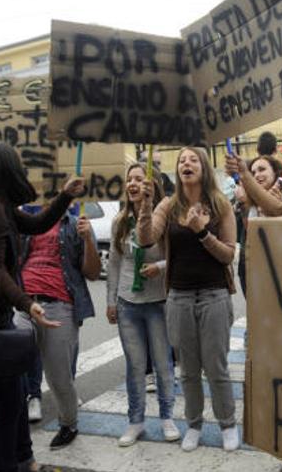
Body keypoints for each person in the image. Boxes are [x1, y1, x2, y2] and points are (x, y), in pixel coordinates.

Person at [0, 141, 85, 472]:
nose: (22, 170)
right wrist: (29, 303)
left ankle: (24, 459)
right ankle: (7, 464)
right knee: (8, 403)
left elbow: (36, 225)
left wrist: (65, 195)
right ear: (3, 169)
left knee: (15, 396)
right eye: (17, 164)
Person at [137, 146, 240, 452]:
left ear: (204, 167)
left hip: (214, 295)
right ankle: (193, 424)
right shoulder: (167, 206)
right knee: (188, 369)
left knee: (217, 366)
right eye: (182, 160)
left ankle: (228, 424)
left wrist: (201, 232)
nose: (186, 163)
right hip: (179, 297)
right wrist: (145, 207)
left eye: (193, 159)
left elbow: (228, 255)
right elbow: (146, 239)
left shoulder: (220, 204)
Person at [14, 199, 101, 449]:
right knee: (10, 362)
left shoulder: (76, 225)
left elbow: (93, 273)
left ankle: (68, 424)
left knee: (59, 376)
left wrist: (87, 240)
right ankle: (20, 413)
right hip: (25, 304)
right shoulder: (27, 225)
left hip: (59, 307)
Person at [106, 163, 180, 447]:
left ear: (153, 186)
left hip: (158, 302)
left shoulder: (164, 217)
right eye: (130, 179)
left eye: (140, 179)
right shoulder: (119, 221)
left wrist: (159, 267)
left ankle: (167, 417)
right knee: (135, 366)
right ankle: (135, 421)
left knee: (163, 364)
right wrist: (111, 300)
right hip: (128, 304)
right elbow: (114, 263)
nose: (133, 183)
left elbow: (176, 257)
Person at [236, 155, 282, 295]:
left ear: (275, 172)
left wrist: (279, 210)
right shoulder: (253, 205)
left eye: (262, 169)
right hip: (265, 271)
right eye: (253, 173)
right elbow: (255, 241)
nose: (257, 175)